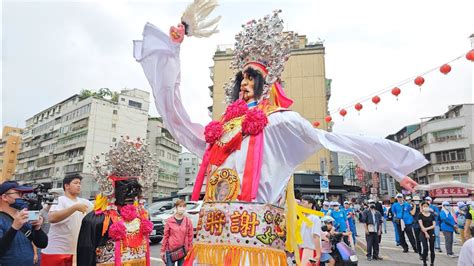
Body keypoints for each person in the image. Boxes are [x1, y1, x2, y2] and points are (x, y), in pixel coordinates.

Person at [134, 6, 428, 264]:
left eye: (253, 77)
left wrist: (393, 167)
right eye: (242, 78)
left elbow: (334, 140)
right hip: (211, 245)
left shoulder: (279, 123)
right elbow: (175, 117)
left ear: (267, 83)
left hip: (255, 248)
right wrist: (171, 50)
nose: (246, 83)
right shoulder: (220, 130)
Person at [77, 137, 156, 265]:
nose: (132, 193)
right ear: (111, 188)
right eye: (126, 188)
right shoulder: (95, 220)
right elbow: (85, 257)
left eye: (135, 188)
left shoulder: (143, 217)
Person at [41, 175, 92, 265]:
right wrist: (74, 208)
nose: (79, 185)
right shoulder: (60, 200)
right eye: (75, 183)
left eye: (80, 183)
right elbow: (52, 218)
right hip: (56, 251)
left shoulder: (84, 202)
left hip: (74, 251)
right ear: (66, 186)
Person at [0, 181, 48, 265]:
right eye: (19, 193)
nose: (23, 197)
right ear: (5, 197)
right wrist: (14, 227)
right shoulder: (2, 219)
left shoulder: (25, 216)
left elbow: (42, 244)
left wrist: (37, 228)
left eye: (23, 194)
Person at [161, 199, 194, 266]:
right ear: (176, 207)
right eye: (180, 206)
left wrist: (190, 249)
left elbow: (190, 236)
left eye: (183, 206)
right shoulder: (169, 221)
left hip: (183, 250)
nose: (182, 208)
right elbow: (165, 236)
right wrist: (162, 250)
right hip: (170, 250)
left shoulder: (188, 221)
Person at [298, 195, 322, 265]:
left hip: (310, 251)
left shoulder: (315, 218)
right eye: (300, 203)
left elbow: (316, 236)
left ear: (310, 204)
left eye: (303, 202)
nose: (300, 204)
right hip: (303, 250)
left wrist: (318, 254)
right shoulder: (302, 218)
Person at [418, 201, 436, 266]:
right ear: (422, 207)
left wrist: (427, 229)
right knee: (425, 248)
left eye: (427, 206)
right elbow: (421, 225)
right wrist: (425, 233)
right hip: (423, 232)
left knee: (432, 249)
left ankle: (432, 263)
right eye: (424, 206)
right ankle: (424, 262)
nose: (425, 207)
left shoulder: (432, 215)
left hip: (431, 232)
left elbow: (434, 225)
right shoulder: (420, 215)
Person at [411, 195, 422, 260]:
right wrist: (414, 205)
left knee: (423, 240)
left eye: (417, 201)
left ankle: (424, 253)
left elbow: (421, 213)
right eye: (415, 201)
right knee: (417, 240)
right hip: (415, 225)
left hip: (422, 225)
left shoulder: (422, 206)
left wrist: (420, 205)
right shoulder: (411, 206)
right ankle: (420, 253)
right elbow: (413, 213)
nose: (416, 202)